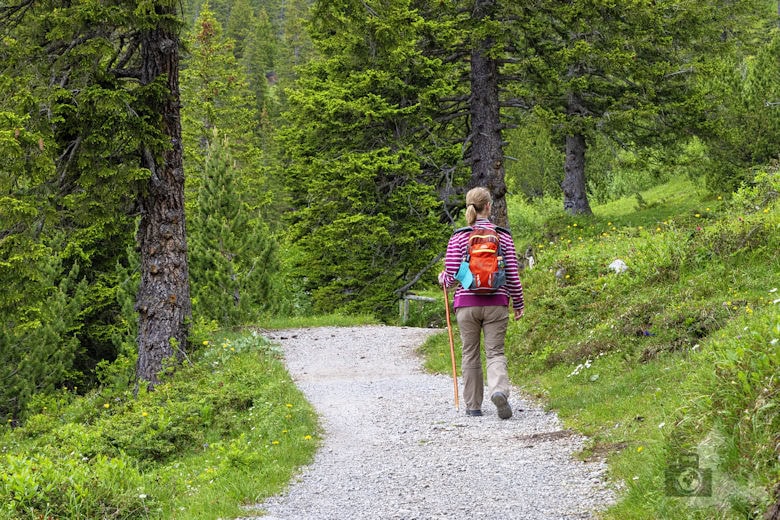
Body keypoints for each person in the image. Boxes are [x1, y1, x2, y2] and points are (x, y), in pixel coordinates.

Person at [438, 187, 524, 419]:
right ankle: (498, 391)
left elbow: (452, 273)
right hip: (497, 302)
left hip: (466, 304)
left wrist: (442, 278)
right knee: (495, 352)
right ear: (488, 206)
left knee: (470, 353)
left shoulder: (458, 236)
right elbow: (513, 274)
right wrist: (518, 302)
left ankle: (473, 406)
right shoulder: (503, 235)